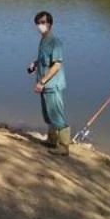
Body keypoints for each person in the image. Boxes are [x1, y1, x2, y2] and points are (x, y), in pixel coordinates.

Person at [27, 11, 70, 155]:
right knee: (48, 114)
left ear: (50, 24)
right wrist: (35, 64)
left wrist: (42, 81)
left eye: (43, 22)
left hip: (52, 85)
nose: (40, 25)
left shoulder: (55, 41)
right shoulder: (43, 40)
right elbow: (44, 59)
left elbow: (56, 65)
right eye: (38, 23)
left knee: (57, 115)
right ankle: (52, 140)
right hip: (44, 85)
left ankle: (64, 147)